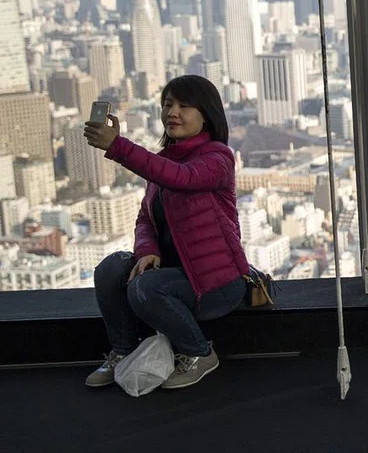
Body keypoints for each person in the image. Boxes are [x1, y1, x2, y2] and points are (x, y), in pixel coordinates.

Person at [83, 75, 249, 389]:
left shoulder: (218, 159)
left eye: (185, 106)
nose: (173, 112)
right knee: (111, 269)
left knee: (143, 289)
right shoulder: (161, 162)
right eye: (169, 104)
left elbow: (182, 178)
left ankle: (199, 353)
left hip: (217, 283)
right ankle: (124, 352)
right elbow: (146, 218)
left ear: (207, 115)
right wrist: (148, 250)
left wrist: (118, 147)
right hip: (174, 274)